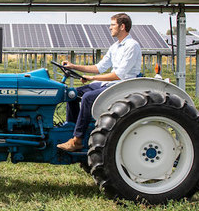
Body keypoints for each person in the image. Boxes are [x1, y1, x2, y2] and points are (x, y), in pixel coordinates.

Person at [56, 13, 142, 152]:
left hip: (122, 86)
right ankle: (71, 129)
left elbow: (119, 75)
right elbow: (98, 68)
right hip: (109, 84)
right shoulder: (115, 46)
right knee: (72, 93)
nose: (110, 28)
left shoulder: (132, 46)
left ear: (122, 26)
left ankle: (77, 140)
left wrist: (93, 78)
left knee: (88, 98)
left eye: (112, 25)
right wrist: (73, 66)